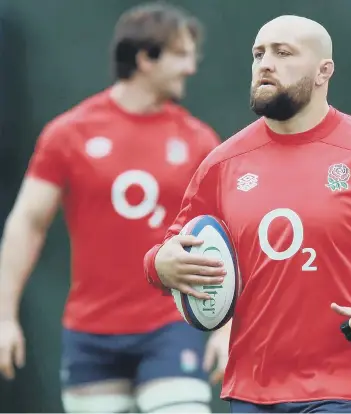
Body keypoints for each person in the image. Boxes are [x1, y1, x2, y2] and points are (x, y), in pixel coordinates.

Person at [144, 14, 351, 413]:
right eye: (258, 53)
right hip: (251, 392)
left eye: (283, 53)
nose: (265, 63)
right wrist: (160, 263)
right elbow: (175, 248)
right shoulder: (223, 164)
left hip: (346, 393)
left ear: (323, 71)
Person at [0, 3, 226, 413]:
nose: (191, 68)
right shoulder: (68, 133)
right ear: (145, 58)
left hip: (171, 326)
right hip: (91, 333)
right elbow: (27, 223)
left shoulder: (199, 140)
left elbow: (229, 237)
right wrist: (3, 317)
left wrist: (227, 329)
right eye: (180, 55)